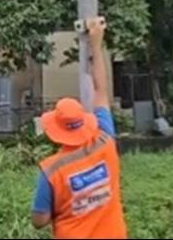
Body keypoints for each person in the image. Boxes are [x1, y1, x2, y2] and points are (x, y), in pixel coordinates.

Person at [30, 17, 128, 239]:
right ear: (84, 122)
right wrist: (96, 44)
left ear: (56, 131)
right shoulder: (105, 140)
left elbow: (39, 220)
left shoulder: (52, 171)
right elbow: (101, 90)